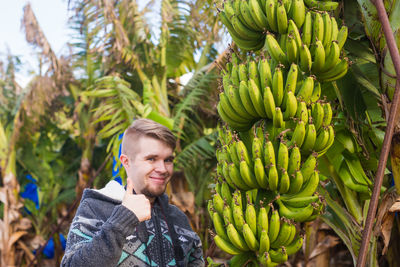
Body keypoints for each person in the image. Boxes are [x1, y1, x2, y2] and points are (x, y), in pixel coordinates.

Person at [61, 119, 204, 266]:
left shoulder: (178, 219)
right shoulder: (96, 208)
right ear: (126, 162)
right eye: (151, 159)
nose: (162, 169)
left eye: (168, 160)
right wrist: (123, 219)